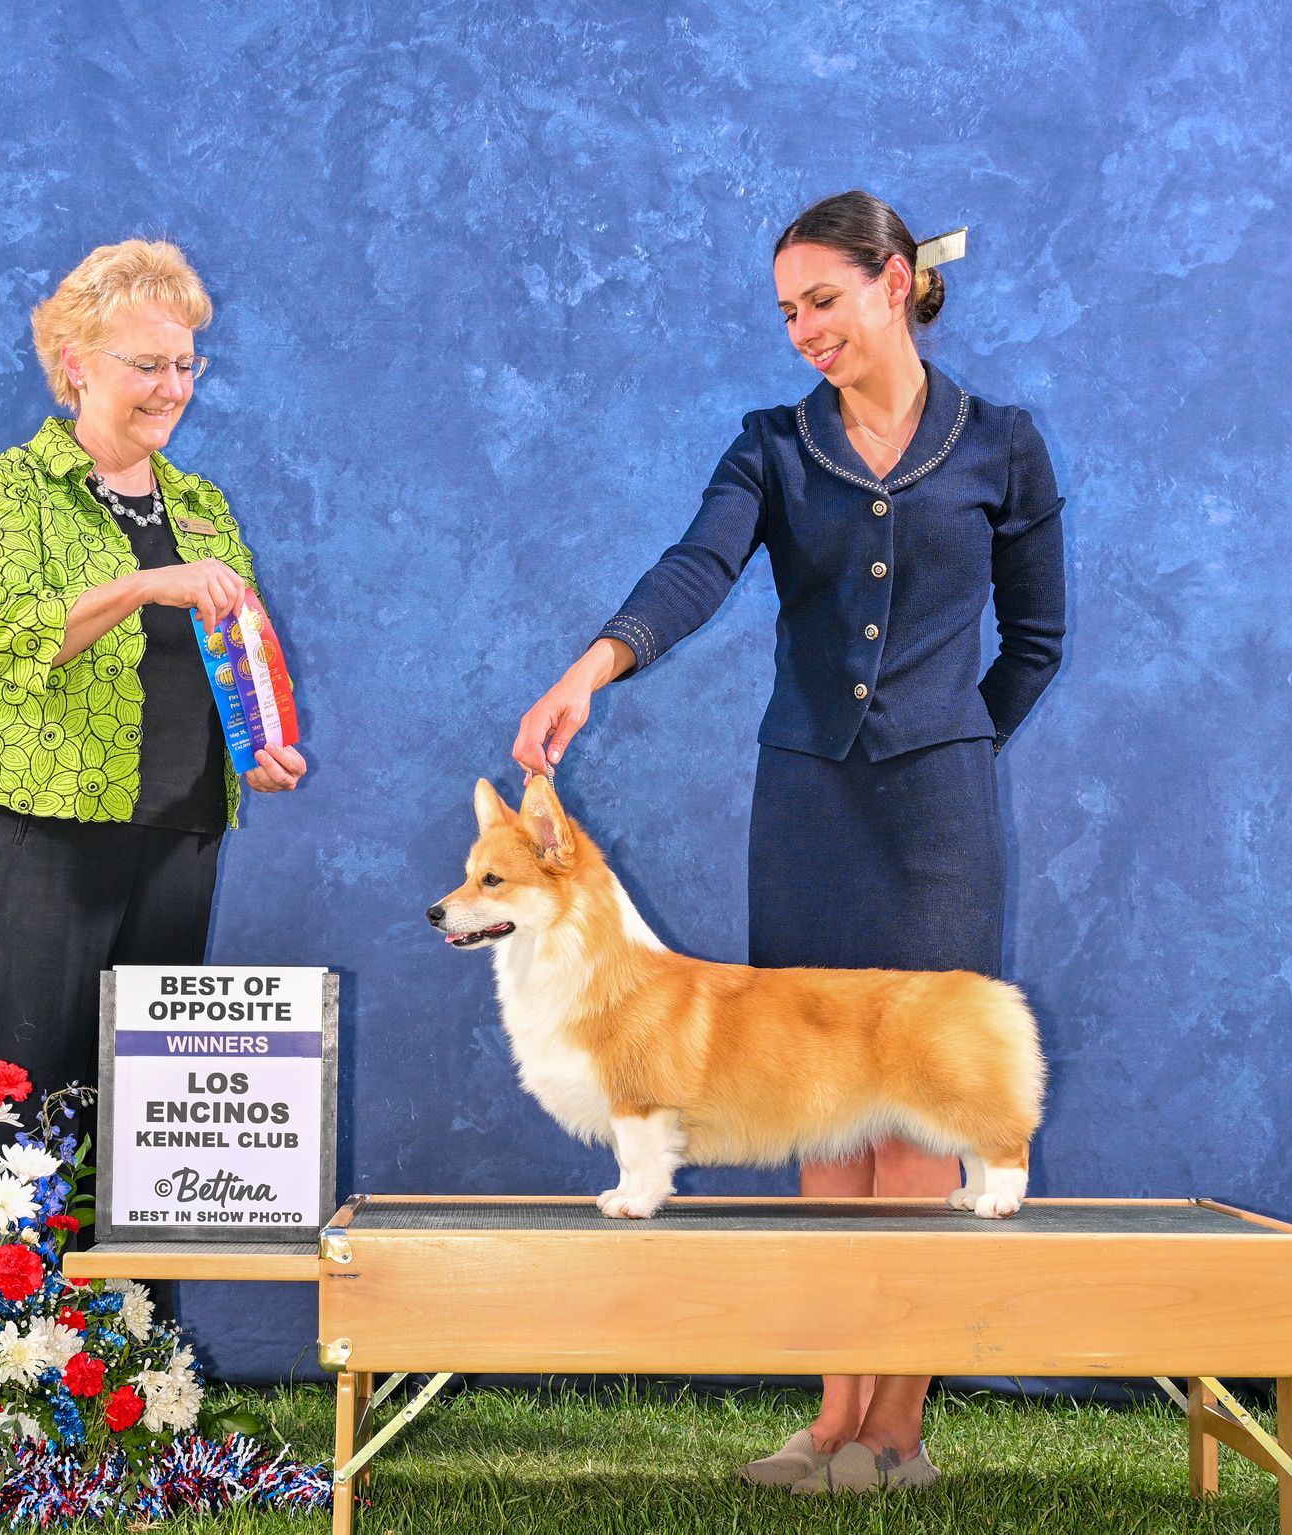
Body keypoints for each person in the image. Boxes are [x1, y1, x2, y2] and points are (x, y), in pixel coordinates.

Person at [512, 190, 1065, 1494]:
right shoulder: (771, 446)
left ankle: (899, 1430)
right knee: (822, 1108)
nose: (803, 329)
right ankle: (829, 1419)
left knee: (921, 1111)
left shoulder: (1007, 447)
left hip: (941, 820)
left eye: (822, 299)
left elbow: (1037, 643)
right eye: (786, 311)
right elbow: (693, 567)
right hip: (804, 808)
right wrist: (596, 667)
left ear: (893, 284)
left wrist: (954, 744)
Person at [0, 238, 306, 1142]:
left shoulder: (202, 508)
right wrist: (145, 584)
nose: (172, 388)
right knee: (24, 1115)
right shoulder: (5, 489)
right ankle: (14, 1287)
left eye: (185, 365)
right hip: (37, 829)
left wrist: (257, 748)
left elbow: (237, 658)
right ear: (76, 364)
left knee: (151, 1134)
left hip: (178, 833)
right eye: (147, 365)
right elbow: (12, 634)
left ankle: (139, 1294)